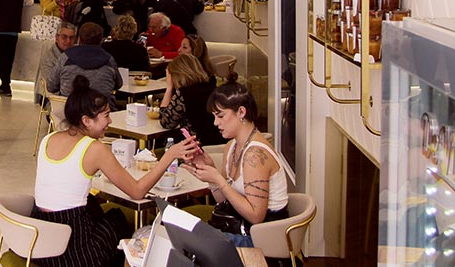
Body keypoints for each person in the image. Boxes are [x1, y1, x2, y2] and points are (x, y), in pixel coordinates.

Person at [33, 76, 190, 267]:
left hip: (39, 241)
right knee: (117, 219)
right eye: (106, 115)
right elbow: (137, 191)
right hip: (73, 251)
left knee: (95, 207)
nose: (110, 120)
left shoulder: (48, 139)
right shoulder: (94, 148)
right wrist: (169, 156)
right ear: (86, 120)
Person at [180, 83, 290, 247]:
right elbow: (223, 199)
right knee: (180, 234)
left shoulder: (255, 156)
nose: (216, 123)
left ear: (241, 112)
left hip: (263, 238)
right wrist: (212, 176)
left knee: (188, 244)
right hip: (240, 227)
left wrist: (220, 180)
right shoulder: (232, 146)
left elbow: (256, 216)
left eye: (221, 116)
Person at [48, 22, 122, 106]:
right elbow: (119, 84)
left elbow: (51, 86)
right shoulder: (109, 60)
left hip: (70, 111)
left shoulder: (65, 57)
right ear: (101, 40)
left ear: (79, 39)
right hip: (101, 111)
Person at [159, 54, 225, 145]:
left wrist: (169, 87)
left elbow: (166, 122)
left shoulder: (184, 93)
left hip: (198, 145)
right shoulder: (212, 86)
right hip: (220, 140)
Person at [35, 21, 77, 104]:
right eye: (64, 37)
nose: (68, 41)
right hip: (54, 97)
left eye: (71, 38)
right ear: (57, 37)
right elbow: (51, 85)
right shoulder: (48, 56)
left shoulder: (77, 52)